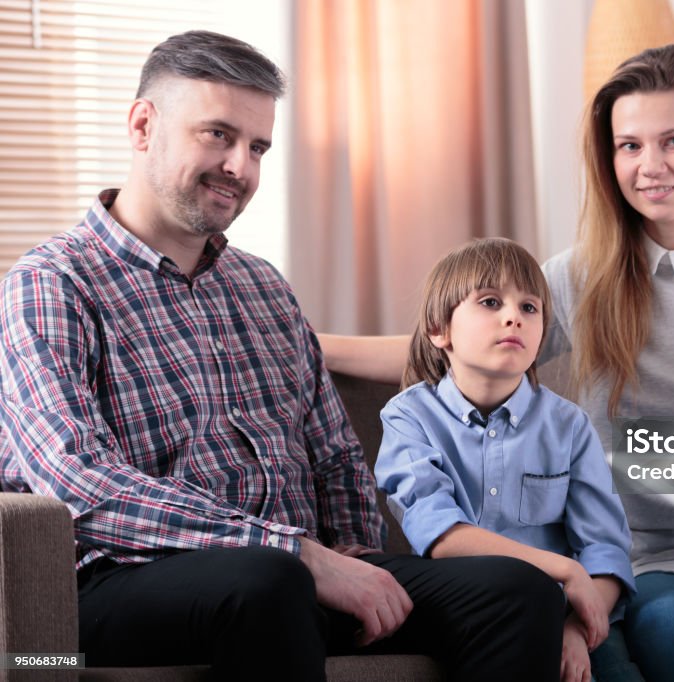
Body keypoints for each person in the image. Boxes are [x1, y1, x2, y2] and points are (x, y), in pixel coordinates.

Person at [0, 30, 564, 681]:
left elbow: (333, 453)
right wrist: (297, 554)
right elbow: (79, 485)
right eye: (217, 135)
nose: (240, 166)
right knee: (267, 581)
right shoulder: (52, 284)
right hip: (118, 590)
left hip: (291, 584)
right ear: (143, 124)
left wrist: (352, 557)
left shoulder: (264, 287)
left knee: (518, 593)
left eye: (258, 147)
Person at [318, 44, 674, 682]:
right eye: (629, 146)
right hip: (646, 561)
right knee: (659, 631)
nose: (649, 166)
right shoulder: (581, 277)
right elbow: (450, 345)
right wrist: (302, 340)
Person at [373, 237, 635, 682]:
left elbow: (606, 551)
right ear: (440, 330)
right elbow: (439, 533)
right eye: (490, 302)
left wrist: (575, 626)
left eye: (529, 308)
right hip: (468, 606)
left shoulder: (569, 424)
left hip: (568, 609)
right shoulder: (408, 415)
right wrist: (564, 570)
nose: (513, 315)